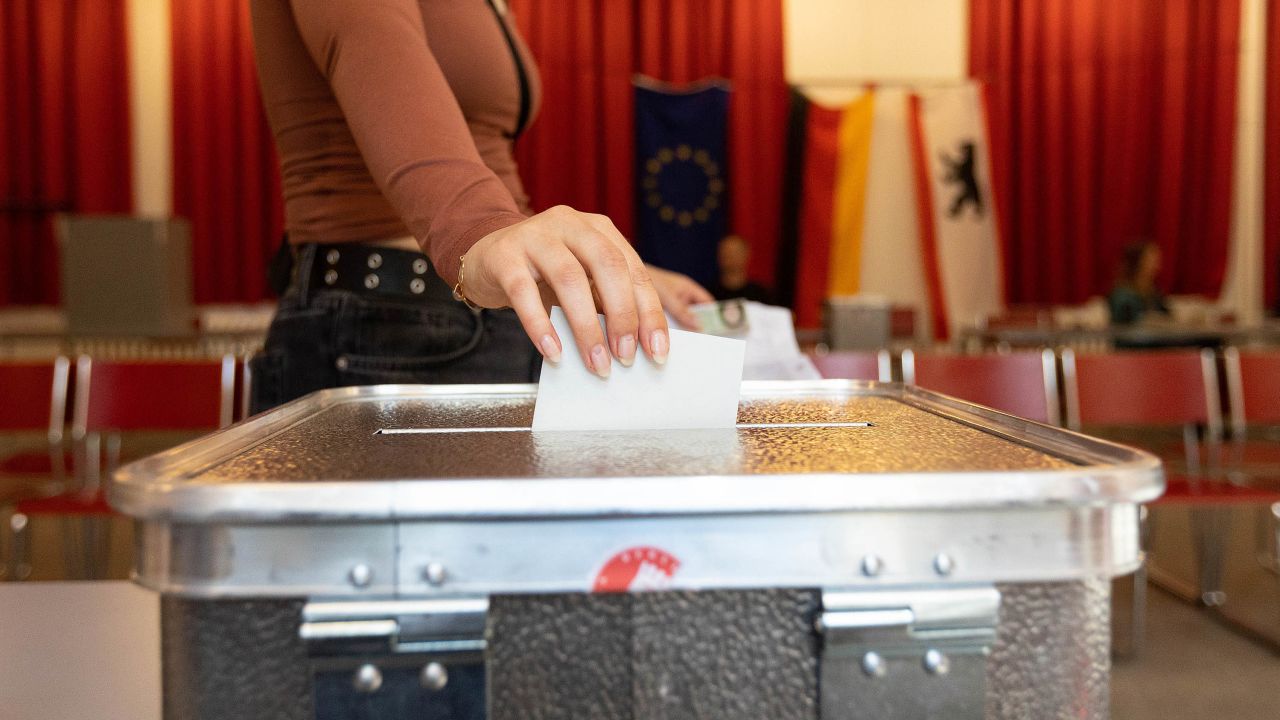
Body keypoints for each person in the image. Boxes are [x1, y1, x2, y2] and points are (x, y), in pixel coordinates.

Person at [247, 0, 712, 414]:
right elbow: (374, 54)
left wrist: (589, 265)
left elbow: (486, 168)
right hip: (391, 321)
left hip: (489, 317)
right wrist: (479, 229)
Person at [1107, 241, 1170, 326]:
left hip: (1156, 337)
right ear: (1138, 262)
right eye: (1151, 260)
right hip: (1132, 337)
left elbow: (1167, 315)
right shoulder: (1122, 294)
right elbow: (1126, 323)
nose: (1157, 265)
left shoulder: (1153, 291)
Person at [709, 234, 775, 305]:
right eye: (726, 253)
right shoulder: (708, 294)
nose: (731, 258)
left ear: (747, 255)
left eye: (735, 253)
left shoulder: (761, 295)